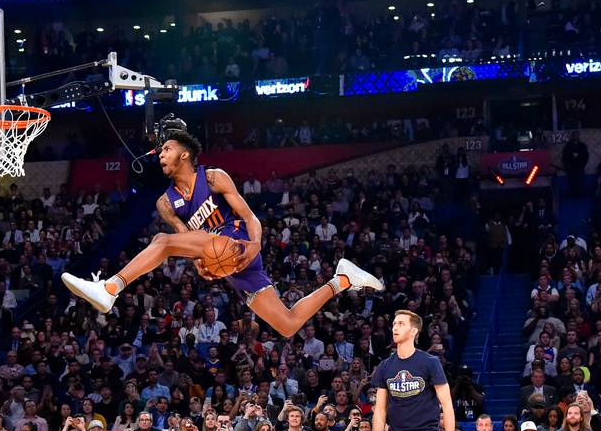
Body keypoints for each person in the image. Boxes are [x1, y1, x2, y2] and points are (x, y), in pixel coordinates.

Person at [61, 129, 383, 338]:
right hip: (223, 262)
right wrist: (201, 268)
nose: (161, 155)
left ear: (184, 153)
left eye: (167, 149)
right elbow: (185, 242)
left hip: (240, 245)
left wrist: (255, 243)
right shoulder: (165, 203)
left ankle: (111, 287)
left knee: (161, 241)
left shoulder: (213, 177)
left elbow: (251, 217)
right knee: (286, 325)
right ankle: (343, 279)